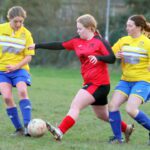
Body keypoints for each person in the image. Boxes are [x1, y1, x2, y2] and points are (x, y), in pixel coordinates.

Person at [29, 14, 134, 141]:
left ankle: (60, 131)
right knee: (102, 114)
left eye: (80, 29)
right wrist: (38, 45)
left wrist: (99, 58)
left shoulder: (100, 42)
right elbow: (59, 45)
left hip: (98, 84)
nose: (77, 31)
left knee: (75, 106)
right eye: (77, 29)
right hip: (92, 82)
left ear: (90, 28)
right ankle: (127, 128)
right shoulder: (77, 41)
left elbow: (111, 58)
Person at [108, 15, 150, 144]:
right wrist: (114, 55)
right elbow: (108, 54)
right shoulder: (123, 41)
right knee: (112, 106)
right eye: (127, 25)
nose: (127, 28)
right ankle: (118, 138)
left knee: (131, 109)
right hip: (125, 80)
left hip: (143, 81)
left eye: (130, 25)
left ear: (139, 27)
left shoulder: (147, 43)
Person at [0, 6, 35, 136]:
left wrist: (16, 66)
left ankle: (28, 127)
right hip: (2, 71)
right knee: (7, 97)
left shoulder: (26, 34)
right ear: (9, 18)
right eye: (16, 21)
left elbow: (28, 57)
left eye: (21, 21)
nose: (18, 24)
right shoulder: (1, 29)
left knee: (22, 90)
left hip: (20, 69)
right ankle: (19, 129)